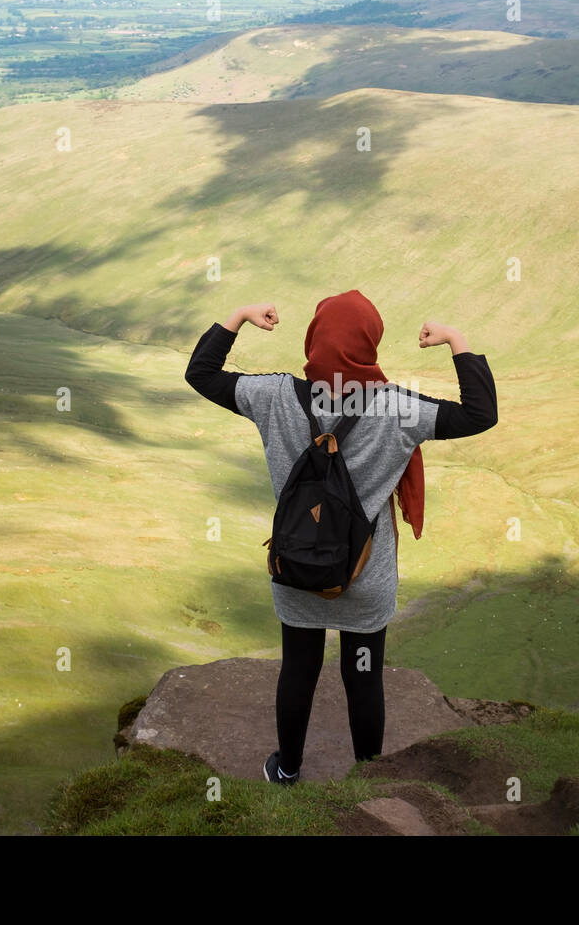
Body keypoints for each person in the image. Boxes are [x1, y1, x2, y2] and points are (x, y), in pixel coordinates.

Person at [184, 289, 498, 785]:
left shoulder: (273, 397)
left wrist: (239, 317)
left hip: (297, 567)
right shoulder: (398, 408)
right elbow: (480, 414)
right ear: (371, 344)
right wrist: (456, 340)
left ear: (313, 338)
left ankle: (287, 770)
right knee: (364, 676)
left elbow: (200, 374)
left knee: (298, 669)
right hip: (365, 576)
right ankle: (369, 784)